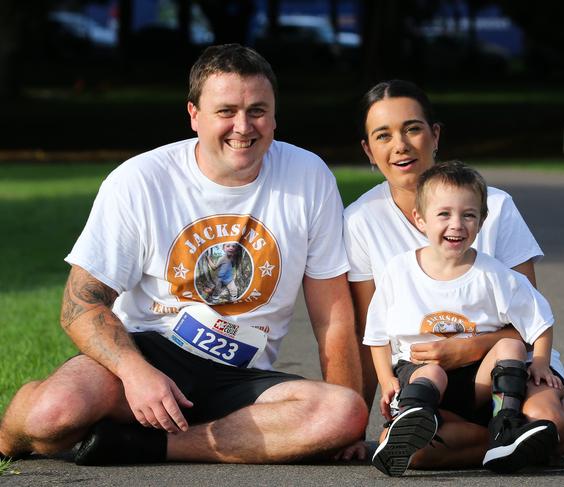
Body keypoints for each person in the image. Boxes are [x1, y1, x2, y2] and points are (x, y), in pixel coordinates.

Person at [0, 44, 367, 465]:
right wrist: (136, 374)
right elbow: (79, 305)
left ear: (275, 115)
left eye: (258, 111)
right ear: (194, 115)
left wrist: (350, 432)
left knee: (341, 412)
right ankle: (6, 437)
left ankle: (142, 445)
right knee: (52, 417)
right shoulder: (139, 181)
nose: (243, 127)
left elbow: (333, 315)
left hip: (240, 378)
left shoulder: (309, 176)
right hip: (147, 352)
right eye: (225, 111)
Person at [343, 79, 564, 468]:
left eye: (413, 128)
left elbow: (525, 323)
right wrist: (356, 428)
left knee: (544, 418)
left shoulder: (496, 206)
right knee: (415, 448)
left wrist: (465, 348)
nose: (400, 145)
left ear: (434, 135)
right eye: (383, 135)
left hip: (505, 365)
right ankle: (548, 443)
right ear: (369, 150)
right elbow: (373, 332)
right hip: (429, 380)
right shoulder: (359, 221)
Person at [367, 160, 561, 476]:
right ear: (420, 219)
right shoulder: (399, 271)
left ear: (481, 222)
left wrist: (539, 361)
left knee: (510, 347)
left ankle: (506, 426)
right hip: (422, 376)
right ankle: (413, 418)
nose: (457, 224)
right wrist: (387, 380)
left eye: (468, 215)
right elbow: (376, 335)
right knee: (433, 372)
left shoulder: (493, 274)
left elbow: (539, 319)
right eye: (444, 214)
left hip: (479, 381)